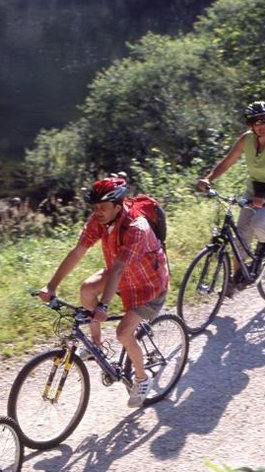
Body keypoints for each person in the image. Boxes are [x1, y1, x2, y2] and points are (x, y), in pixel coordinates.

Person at [38, 174, 169, 408]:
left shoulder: (136, 227)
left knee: (122, 334)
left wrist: (104, 306)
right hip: (123, 275)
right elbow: (78, 251)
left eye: (103, 207)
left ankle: (141, 379)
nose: (97, 211)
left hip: (149, 285)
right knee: (87, 290)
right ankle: (96, 347)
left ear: (118, 206)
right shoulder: (100, 219)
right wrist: (52, 285)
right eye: (95, 206)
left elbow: (119, 268)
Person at [196, 101, 265, 293]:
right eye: (256, 121)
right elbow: (227, 163)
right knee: (240, 235)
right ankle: (237, 279)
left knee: (259, 223)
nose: (262, 125)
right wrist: (208, 179)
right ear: (250, 124)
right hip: (255, 189)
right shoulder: (246, 140)